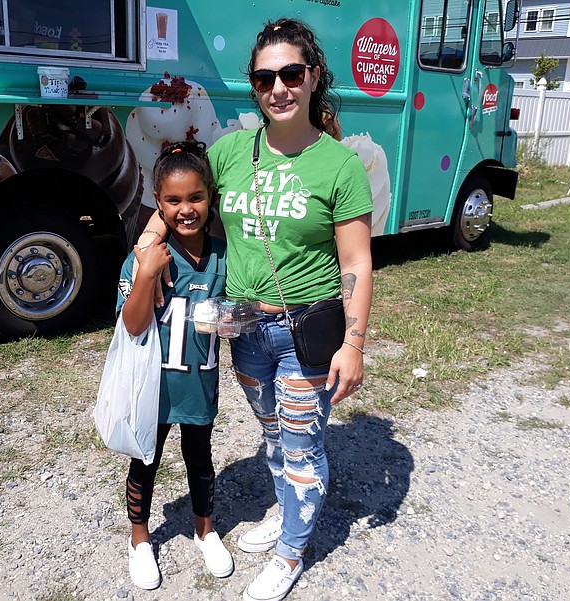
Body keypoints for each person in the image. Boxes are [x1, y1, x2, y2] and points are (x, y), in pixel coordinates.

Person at [137, 17, 373, 601]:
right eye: (265, 78)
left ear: (313, 77)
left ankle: (292, 552)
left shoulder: (339, 165)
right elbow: (179, 195)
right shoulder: (232, 151)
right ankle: (284, 510)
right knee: (271, 433)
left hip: (308, 331)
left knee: (300, 444)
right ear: (254, 85)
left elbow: (358, 265)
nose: (278, 88)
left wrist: (355, 343)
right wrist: (147, 244)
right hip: (245, 327)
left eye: (291, 74)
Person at [117, 140, 233, 590]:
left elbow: (236, 306)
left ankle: (206, 530)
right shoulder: (145, 258)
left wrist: (231, 317)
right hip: (153, 384)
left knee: (200, 459)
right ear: (158, 204)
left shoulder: (224, 254)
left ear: (211, 198)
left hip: (199, 380)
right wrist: (146, 274)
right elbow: (131, 323)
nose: (186, 209)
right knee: (145, 458)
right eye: (173, 200)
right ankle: (140, 539)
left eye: (196, 197)